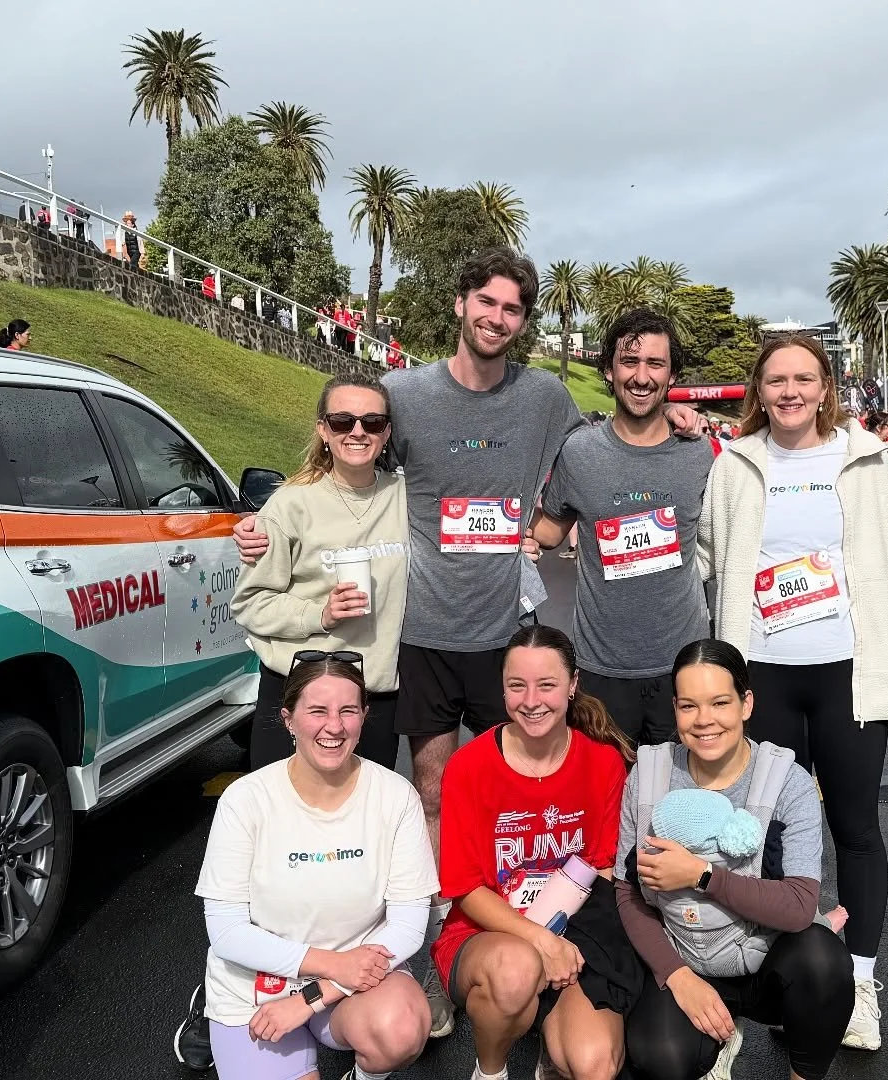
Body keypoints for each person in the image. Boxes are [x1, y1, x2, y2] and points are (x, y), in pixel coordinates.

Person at [232, 248, 702, 1039]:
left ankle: (550, 940)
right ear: (460, 304)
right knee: (432, 796)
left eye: (513, 309)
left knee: (523, 797)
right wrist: (270, 523)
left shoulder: (546, 397)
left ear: (524, 321)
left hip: (505, 637)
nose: (497, 318)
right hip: (420, 633)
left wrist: (680, 418)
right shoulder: (406, 395)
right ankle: (438, 957)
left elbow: (610, 441)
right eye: (486, 302)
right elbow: (345, 452)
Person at [696, 333, 888, 1052]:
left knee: (855, 829)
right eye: (777, 380)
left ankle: (860, 985)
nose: (789, 392)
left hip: (849, 670)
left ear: (826, 386)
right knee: (768, 834)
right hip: (764, 674)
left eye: (804, 379)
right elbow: (707, 550)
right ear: (760, 389)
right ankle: (783, 980)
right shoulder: (735, 465)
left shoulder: (869, 458)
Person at [191, 654, 437, 1080]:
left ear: (364, 716)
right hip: (257, 986)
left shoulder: (396, 797)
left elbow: (410, 925)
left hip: (350, 984)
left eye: (347, 710)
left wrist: (318, 992)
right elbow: (226, 930)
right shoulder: (245, 800)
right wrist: (330, 963)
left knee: (402, 1025)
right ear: (288, 719)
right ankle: (211, 1010)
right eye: (317, 711)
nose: (334, 726)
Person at [616, 639, 853, 1080]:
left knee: (824, 963)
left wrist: (702, 875)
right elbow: (627, 892)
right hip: (684, 954)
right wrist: (677, 977)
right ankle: (715, 1039)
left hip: (764, 960)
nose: (705, 720)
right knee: (659, 1055)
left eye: (720, 702)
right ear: (674, 709)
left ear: (746, 704)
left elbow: (801, 906)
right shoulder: (648, 776)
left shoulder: (788, 781)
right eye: (689, 706)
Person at [433, 625, 631, 1080]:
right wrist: (539, 939)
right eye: (516, 685)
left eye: (547, 684)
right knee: (514, 970)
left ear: (573, 685)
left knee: (594, 1066)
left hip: (575, 932)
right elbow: (464, 890)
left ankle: (551, 1034)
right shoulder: (468, 766)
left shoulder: (602, 762)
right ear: (502, 690)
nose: (531, 699)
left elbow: (601, 868)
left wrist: (559, 940)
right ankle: (491, 1070)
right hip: (485, 936)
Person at [529, 309, 713, 746]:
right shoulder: (580, 452)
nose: (641, 377)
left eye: (655, 364)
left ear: (671, 375)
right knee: (607, 807)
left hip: (684, 668)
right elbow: (551, 533)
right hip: (601, 672)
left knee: (682, 809)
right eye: (629, 362)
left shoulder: (699, 453)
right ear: (608, 370)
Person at [230, 372, 407, 771]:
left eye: (372, 422)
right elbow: (251, 603)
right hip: (299, 690)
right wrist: (319, 615)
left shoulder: (407, 498)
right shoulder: (291, 504)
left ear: (387, 433)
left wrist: (524, 539)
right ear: (323, 430)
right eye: (343, 421)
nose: (358, 432)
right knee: (285, 828)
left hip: (372, 699)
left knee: (365, 828)